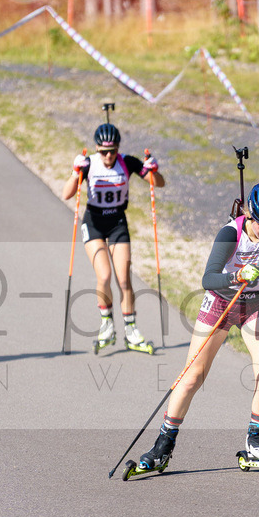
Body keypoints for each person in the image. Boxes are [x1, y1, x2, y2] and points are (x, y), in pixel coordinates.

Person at [133, 179, 259, 470]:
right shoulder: (230, 234)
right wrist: (237, 276)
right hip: (221, 305)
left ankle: (256, 441)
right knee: (193, 377)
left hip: (256, 306)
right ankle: (163, 445)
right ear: (251, 214)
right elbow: (208, 279)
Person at [60, 123, 164, 353]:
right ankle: (106, 324)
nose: (108, 156)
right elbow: (67, 194)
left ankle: (131, 330)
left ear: (118, 148)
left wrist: (153, 170)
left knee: (124, 279)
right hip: (94, 223)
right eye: (103, 151)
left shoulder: (128, 162)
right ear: (97, 149)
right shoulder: (90, 165)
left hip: (117, 223)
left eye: (112, 151)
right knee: (104, 275)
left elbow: (158, 184)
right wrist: (75, 171)